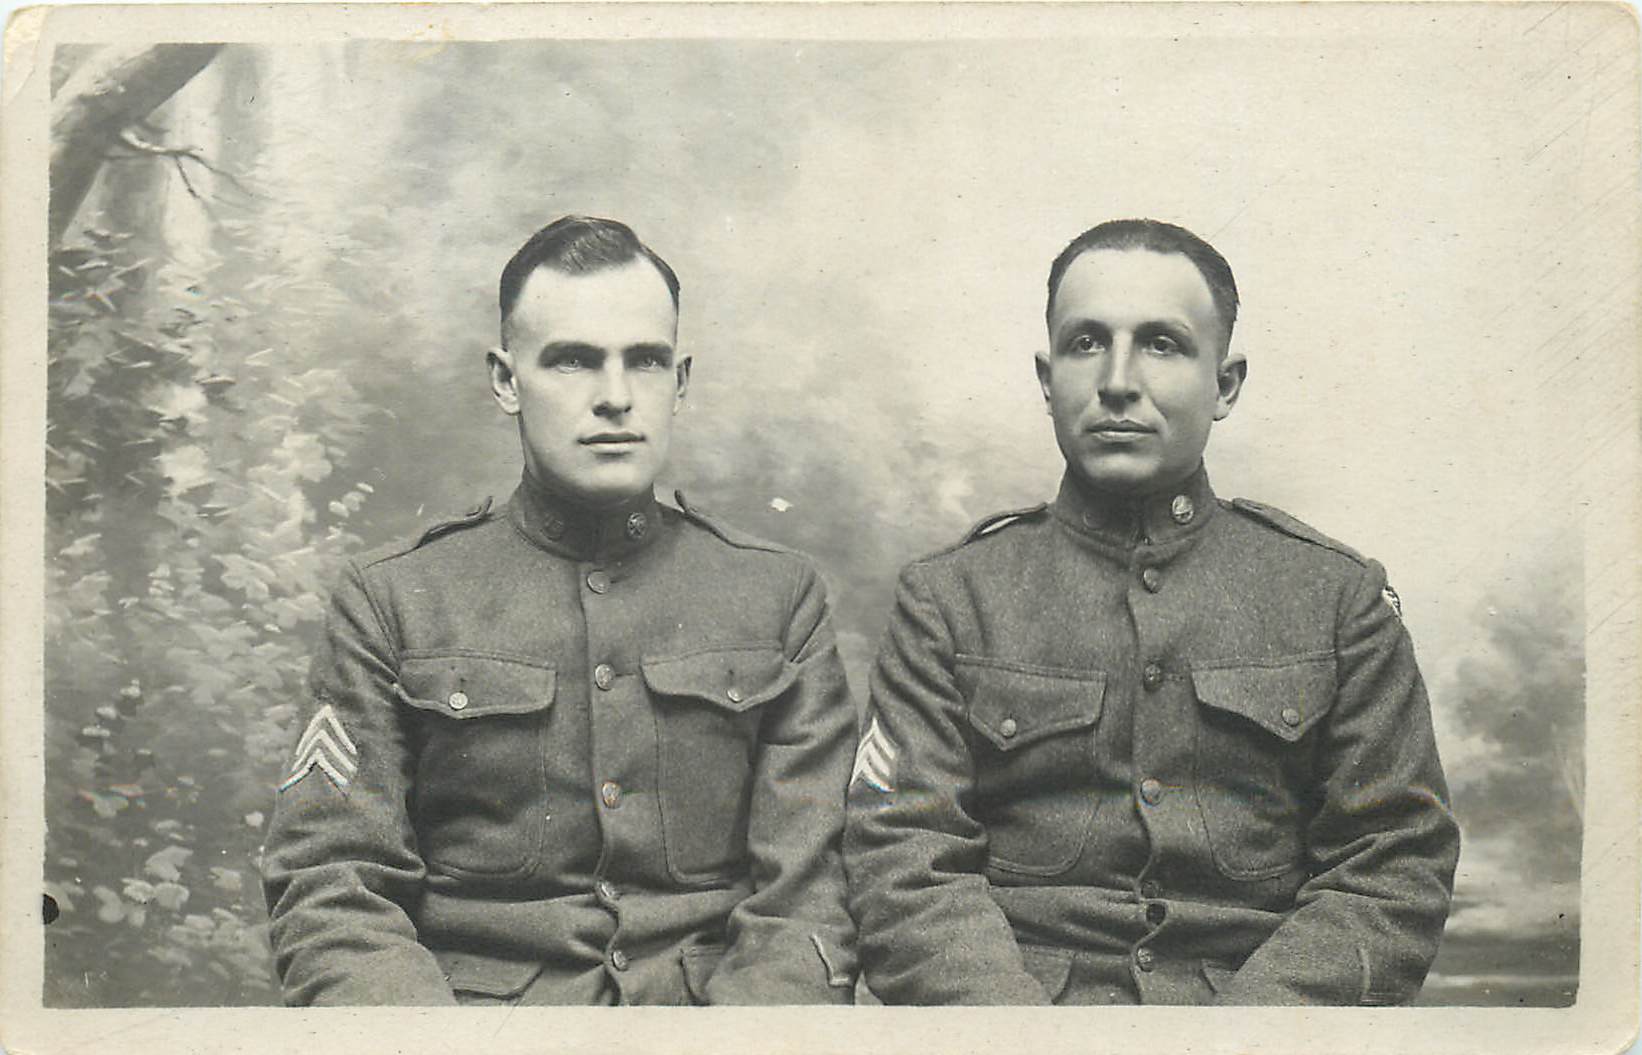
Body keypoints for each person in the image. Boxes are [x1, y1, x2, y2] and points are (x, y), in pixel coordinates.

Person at [844, 218, 1460, 1006]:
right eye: (1086, 343)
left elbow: (1394, 864)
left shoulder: (1335, 599)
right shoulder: (950, 599)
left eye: (1162, 344)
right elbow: (903, 859)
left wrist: (1246, 1035)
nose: (1117, 380)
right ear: (1047, 379)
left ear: (1225, 384)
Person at [262, 215, 858, 1006]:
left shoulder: (777, 598)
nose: (616, 397)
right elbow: (333, 887)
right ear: (506, 380)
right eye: (574, 360)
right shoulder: (394, 599)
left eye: (645, 360)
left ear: (680, 382)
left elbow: (807, 899)